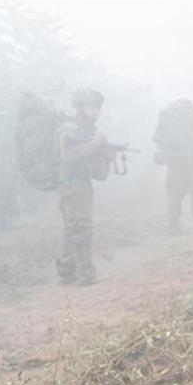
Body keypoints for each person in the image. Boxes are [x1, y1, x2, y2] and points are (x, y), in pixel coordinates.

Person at [55, 88, 110, 285]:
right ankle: (85, 274)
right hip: (71, 185)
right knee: (81, 228)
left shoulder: (91, 132)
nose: (95, 111)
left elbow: (99, 174)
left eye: (97, 107)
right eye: (90, 106)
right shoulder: (69, 130)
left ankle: (67, 272)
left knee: (73, 228)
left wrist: (104, 156)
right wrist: (96, 145)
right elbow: (68, 155)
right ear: (79, 108)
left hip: (80, 184)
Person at [153, 98, 193, 233]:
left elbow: (158, 140)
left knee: (174, 194)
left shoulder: (167, 121)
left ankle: (173, 226)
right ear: (191, 109)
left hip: (174, 162)